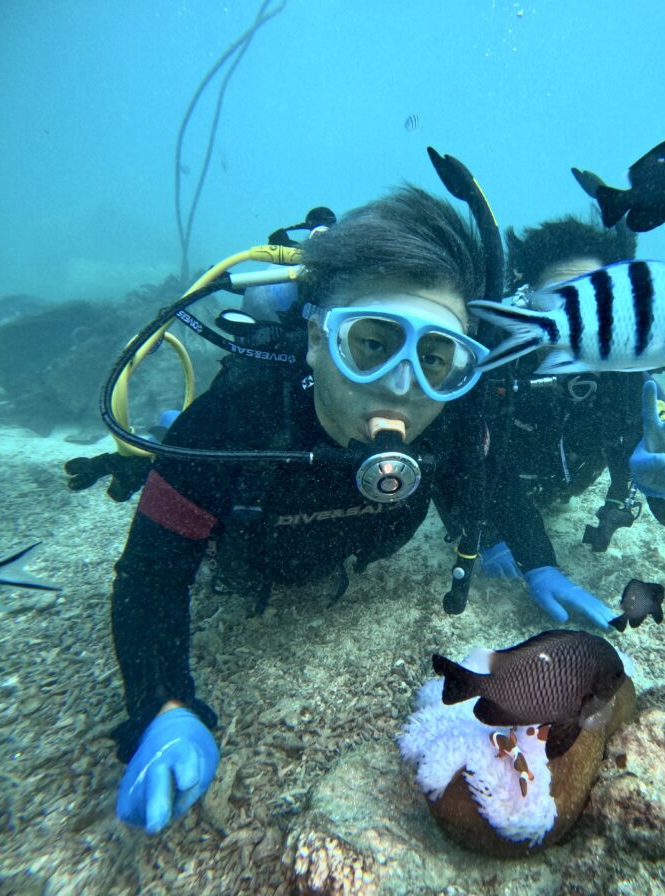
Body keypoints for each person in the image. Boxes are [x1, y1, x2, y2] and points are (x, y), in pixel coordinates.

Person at [109, 186, 488, 834]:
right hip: (245, 564)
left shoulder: (454, 421)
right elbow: (152, 577)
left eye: (433, 358)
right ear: (317, 338)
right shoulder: (228, 425)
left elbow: (477, 493)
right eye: (371, 343)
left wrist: (516, 549)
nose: (403, 383)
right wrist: (162, 703)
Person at [475, 215, 665, 628]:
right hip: (496, 495)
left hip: (561, 491)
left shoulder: (631, 386)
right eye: (561, 298)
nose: (580, 318)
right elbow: (458, 467)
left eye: (597, 302)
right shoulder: (495, 367)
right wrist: (492, 536)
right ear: (526, 300)